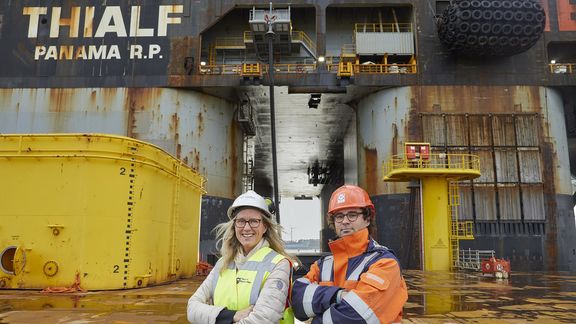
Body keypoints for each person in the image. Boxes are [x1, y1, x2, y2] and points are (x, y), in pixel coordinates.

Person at [291, 184, 408, 323]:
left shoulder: (385, 263)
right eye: (339, 216)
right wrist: (338, 295)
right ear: (333, 222)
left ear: (367, 219)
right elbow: (297, 300)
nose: (345, 221)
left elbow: (356, 317)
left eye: (352, 215)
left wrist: (317, 317)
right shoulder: (323, 265)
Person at [187, 190, 295, 324]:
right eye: (241, 221)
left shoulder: (278, 264)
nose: (247, 228)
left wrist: (212, 316)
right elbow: (192, 308)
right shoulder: (223, 263)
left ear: (265, 226)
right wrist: (232, 315)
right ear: (234, 225)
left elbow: (262, 320)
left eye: (254, 221)